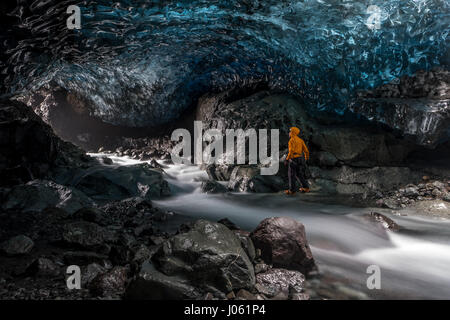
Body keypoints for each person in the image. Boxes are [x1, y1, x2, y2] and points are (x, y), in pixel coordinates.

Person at [284, 127, 310, 195]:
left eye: (290, 131)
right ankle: (306, 187)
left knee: (291, 175)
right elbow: (306, 151)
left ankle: (292, 191)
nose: (289, 133)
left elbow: (291, 151)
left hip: (293, 159)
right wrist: (306, 158)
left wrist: (287, 159)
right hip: (300, 158)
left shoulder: (291, 141)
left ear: (293, 132)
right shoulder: (300, 140)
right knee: (299, 174)